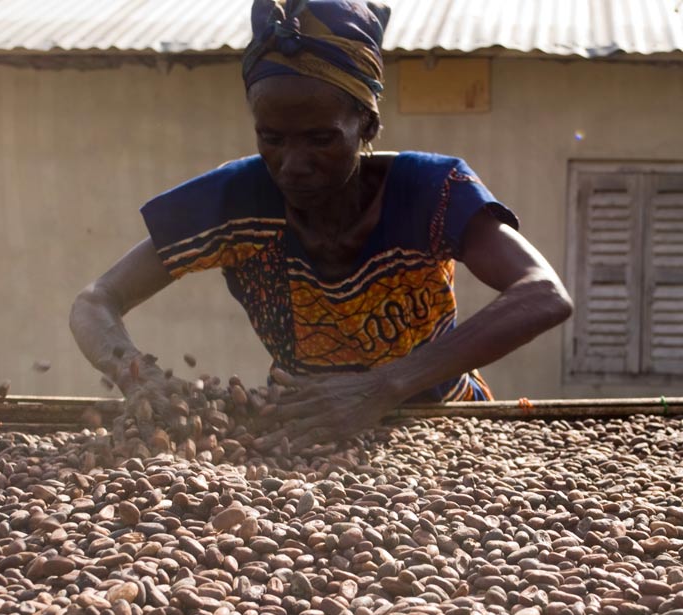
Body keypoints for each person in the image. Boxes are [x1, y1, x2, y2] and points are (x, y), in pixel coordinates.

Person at [70, 0, 572, 451]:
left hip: (445, 424)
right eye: (272, 138)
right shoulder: (236, 201)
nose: (292, 164)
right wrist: (136, 375)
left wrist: (384, 387)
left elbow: (543, 293)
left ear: (367, 127)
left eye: (320, 140)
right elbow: (96, 301)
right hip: (306, 431)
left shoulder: (428, 190)